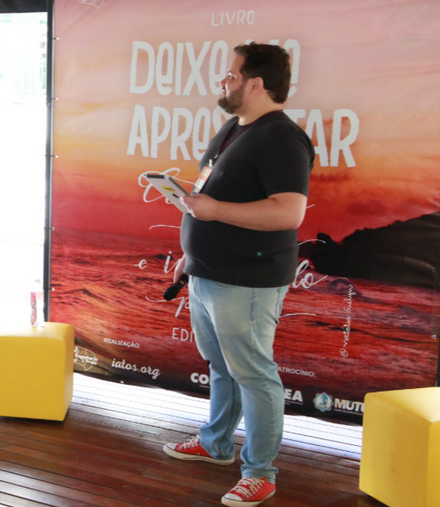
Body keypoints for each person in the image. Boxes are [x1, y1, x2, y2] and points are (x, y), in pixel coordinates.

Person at [161, 43, 314, 507]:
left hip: (247, 281)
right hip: (207, 272)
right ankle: (216, 443)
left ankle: (260, 473)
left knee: (254, 374)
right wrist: (190, 253)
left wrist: (214, 211)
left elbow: (288, 212)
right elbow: (212, 194)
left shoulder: (282, 138)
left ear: (256, 84)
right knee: (222, 366)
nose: (222, 82)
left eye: (231, 75)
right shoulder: (234, 128)